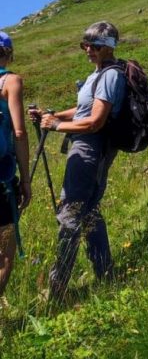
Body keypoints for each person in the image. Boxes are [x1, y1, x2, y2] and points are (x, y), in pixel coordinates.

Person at [30, 21, 126, 303]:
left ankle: (57, 288)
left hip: (90, 151)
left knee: (70, 215)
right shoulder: (97, 74)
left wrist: (56, 127)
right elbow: (84, 108)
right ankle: (106, 273)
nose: (89, 50)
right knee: (90, 213)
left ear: (109, 48)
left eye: (95, 46)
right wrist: (56, 116)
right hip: (84, 148)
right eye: (85, 45)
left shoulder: (110, 76)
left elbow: (95, 121)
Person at [0, 32, 31, 299]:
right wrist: (27, 181)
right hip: (2, 176)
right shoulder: (10, 81)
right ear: (9, 54)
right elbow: (19, 133)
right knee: (4, 256)